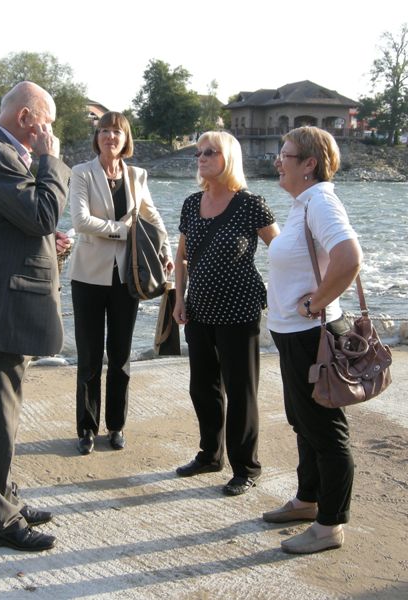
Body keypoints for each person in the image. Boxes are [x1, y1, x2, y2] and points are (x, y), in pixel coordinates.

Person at [0, 81, 72, 552]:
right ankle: (0, 521)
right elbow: (42, 213)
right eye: (47, 123)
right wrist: (50, 161)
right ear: (26, 118)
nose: (50, 133)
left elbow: (23, 222)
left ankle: (2, 499)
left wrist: (45, 239)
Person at [264, 126, 363, 554]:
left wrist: (316, 302)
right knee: (303, 422)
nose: (277, 162)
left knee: (326, 431)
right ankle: (308, 500)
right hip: (295, 335)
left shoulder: (321, 201)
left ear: (309, 164)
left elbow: (349, 257)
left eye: (284, 155)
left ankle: (330, 525)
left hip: (312, 336)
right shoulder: (303, 203)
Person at [172, 131, 279, 496]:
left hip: (239, 311)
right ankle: (210, 455)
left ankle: (246, 467)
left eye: (210, 152)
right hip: (199, 309)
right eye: (199, 152)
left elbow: (281, 251)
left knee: (240, 391)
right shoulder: (191, 203)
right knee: (203, 388)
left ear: (228, 158)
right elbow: (181, 257)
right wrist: (179, 299)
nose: (201, 157)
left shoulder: (250, 204)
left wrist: (289, 294)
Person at [67, 112, 172, 455]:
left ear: (126, 139)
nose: (110, 136)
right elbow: (80, 221)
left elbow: (152, 216)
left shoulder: (137, 175)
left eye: (116, 131)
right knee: (89, 355)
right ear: (96, 137)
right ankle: (86, 427)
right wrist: (121, 231)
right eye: (104, 130)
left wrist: (165, 250)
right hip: (87, 276)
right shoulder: (81, 172)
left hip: (128, 276)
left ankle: (116, 425)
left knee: (121, 355)